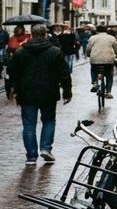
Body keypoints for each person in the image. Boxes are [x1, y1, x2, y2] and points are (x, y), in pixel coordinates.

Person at [7, 24, 72, 165]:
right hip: (49, 92)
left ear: (32, 35)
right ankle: (45, 148)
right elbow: (64, 73)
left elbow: (11, 71)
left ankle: (31, 156)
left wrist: (14, 88)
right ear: (45, 35)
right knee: (48, 121)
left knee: (29, 125)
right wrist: (67, 92)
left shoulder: (21, 51)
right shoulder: (55, 52)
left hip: (27, 93)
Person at [86, 26, 117, 99]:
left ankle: (94, 83)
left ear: (97, 31)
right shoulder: (111, 38)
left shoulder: (92, 38)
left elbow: (88, 49)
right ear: (106, 31)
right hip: (108, 60)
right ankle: (108, 92)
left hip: (95, 60)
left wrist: (89, 54)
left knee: (93, 69)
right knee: (109, 75)